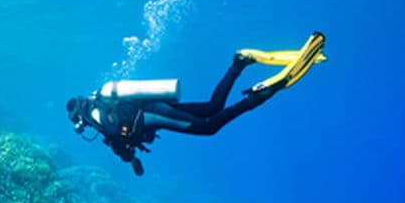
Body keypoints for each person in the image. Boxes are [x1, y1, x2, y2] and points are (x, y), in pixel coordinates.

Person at [66, 32, 327, 176]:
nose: (80, 127)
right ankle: (239, 63)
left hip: (150, 115)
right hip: (153, 108)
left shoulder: (93, 114)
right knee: (212, 107)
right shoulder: (98, 102)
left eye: (77, 123)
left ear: (77, 116)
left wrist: (125, 154)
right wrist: (132, 157)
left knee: (209, 127)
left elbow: (116, 134)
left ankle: (261, 93)